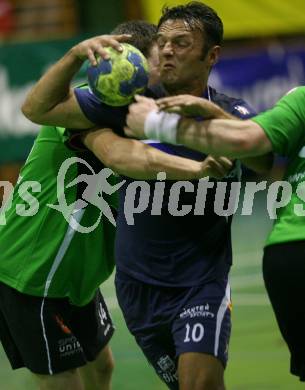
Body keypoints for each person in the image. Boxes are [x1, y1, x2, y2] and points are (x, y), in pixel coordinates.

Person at [21, 4, 272, 389]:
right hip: (138, 288)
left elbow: (265, 160)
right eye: (164, 42)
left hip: (200, 281)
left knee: (199, 384)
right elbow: (38, 108)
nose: (169, 50)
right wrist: (74, 55)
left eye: (182, 43)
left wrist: (208, 114)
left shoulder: (227, 113)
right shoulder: (127, 105)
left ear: (212, 55)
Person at [0, 21, 218, 390]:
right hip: (34, 272)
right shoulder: (81, 110)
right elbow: (121, 157)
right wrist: (196, 170)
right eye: (154, 62)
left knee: (101, 367)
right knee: (62, 381)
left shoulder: (144, 115)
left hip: (78, 278)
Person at [126, 85, 305, 382]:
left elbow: (254, 145)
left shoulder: (300, 96)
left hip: (286, 255)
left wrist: (157, 123)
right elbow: (254, 147)